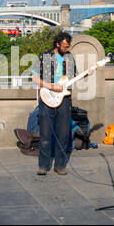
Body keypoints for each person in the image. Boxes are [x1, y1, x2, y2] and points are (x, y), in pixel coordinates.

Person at [32, 32, 94, 176]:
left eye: (68, 47)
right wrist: (51, 86)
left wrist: (87, 73)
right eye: (65, 47)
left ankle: (59, 165)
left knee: (64, 133)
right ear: (57, 44)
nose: (67, 49)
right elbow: (34, 78)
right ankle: (43, 165)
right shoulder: (45, 56)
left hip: (65, 99)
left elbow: (74, 77)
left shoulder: (69, 57)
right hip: (47, 97)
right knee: (46, 134)